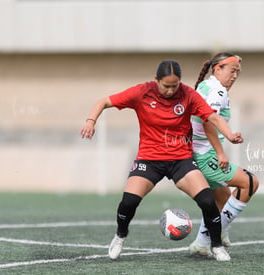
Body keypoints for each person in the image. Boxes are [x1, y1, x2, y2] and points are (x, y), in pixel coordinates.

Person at [80, 60, 244, 261]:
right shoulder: (142, 92)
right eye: (166, 86)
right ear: (156, 80)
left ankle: (217, 247)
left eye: (174, 86)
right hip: (149, 159)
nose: (170, 90)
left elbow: (214, 118)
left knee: (208, 201)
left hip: (181, 160)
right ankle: (120, 236)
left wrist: (229, 135)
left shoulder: (188, 95)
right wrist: (91, 121)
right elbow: (104, 101)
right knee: (128, 202)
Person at [189, 52, 259, 256]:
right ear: (217, 69)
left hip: (199, 151)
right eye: (232, 70)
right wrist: (220, 152)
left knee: (223, 200)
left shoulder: (208, 87)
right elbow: (207, 121)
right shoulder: (216, 91)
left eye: (238, 72)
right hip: (204, 154)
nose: (235, 76)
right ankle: (205, 241)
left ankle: (208, 240)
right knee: (250, 182)